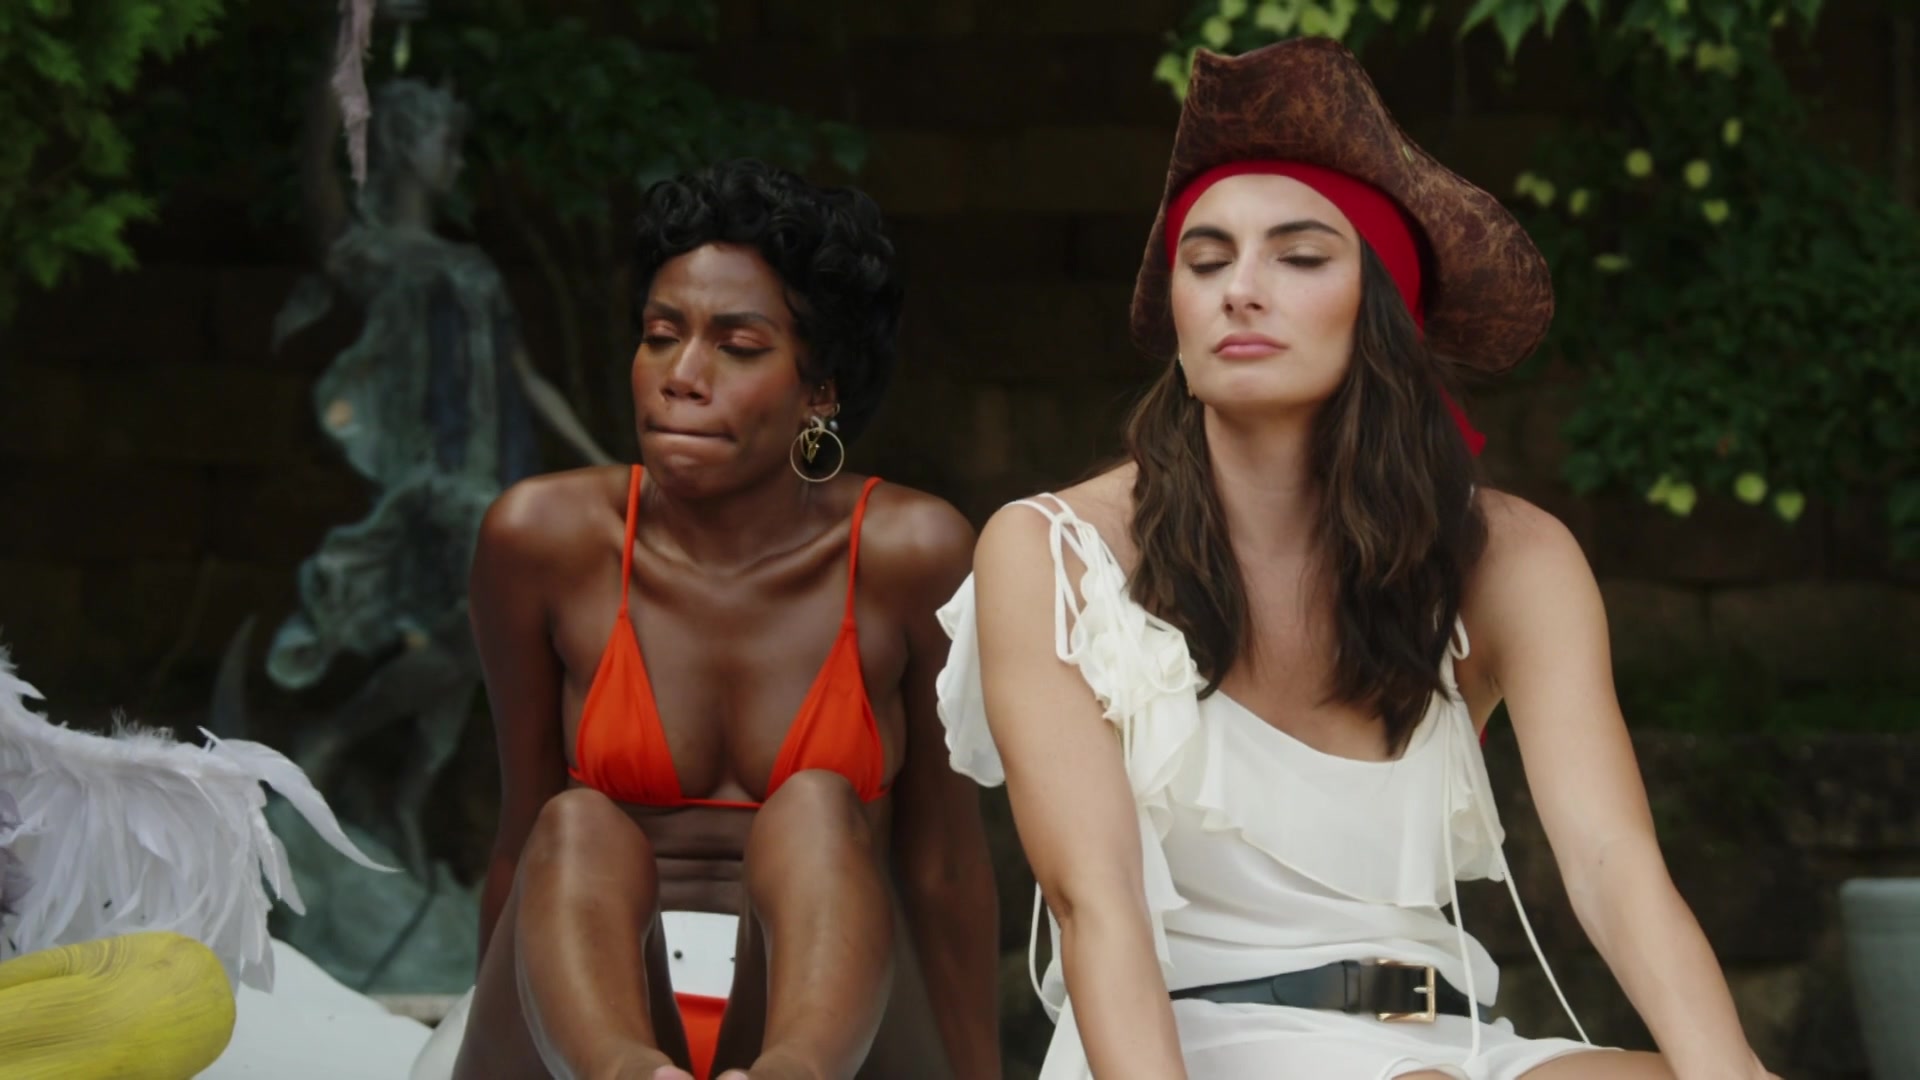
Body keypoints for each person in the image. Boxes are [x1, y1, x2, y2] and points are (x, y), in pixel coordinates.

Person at [935, 39, 1782, 1080]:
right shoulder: (1054, 550)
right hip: (1184, 1041)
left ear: (1382, 309)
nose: (1241, 290)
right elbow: (1091, 901)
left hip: (1448, 1040)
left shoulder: (1512, 559)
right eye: (1206, 261)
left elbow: (1612, 863)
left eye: (1298, 257)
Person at [447, 159, 998, 1080]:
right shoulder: (541, 540)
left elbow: (944, 869)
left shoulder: (912, 554)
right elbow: (521, 844)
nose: (682, 376)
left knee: (818, 811)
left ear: (820, 389)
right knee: (575, 826)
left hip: (824, 1027)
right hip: (599, 1023)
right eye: (661, 336)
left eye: (737, 347)